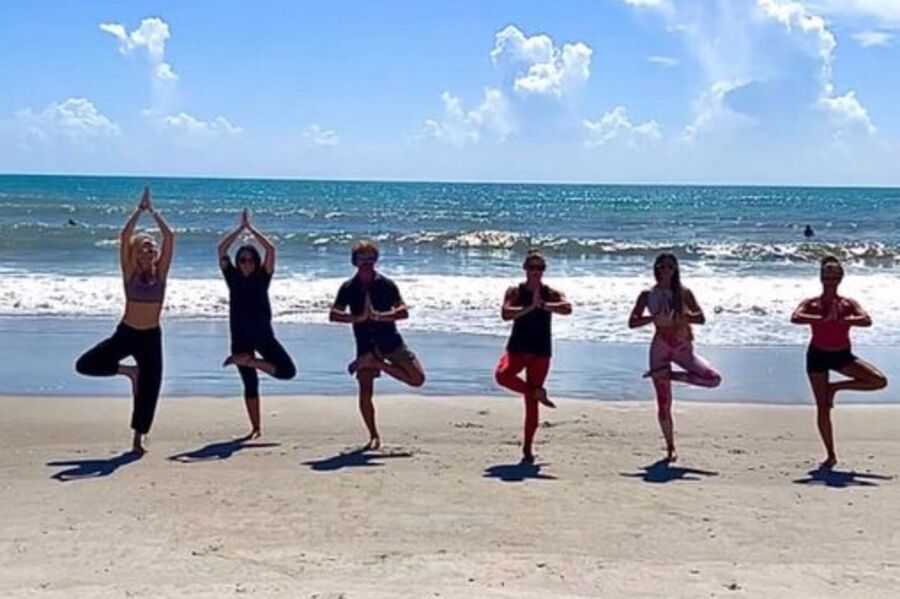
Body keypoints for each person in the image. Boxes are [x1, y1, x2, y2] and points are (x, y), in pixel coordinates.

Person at [75, 186, 174, 454]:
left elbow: (170, 236)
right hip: (127, 332)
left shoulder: (161, 274)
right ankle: (130, 372)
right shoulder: (129, 273)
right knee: (86, 364)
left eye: (151, 249)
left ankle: (137, 438)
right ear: (135, 253)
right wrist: (139, 211)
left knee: (151, 389)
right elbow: (124, 236)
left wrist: (154, 212)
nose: (148, 252)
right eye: (143, 248)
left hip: (151, 337)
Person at [791, 256, 887, 468]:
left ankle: (836, 387)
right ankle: (830, 454)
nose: (830, 280)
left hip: (842, 355)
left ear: (841, 279)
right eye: (827, 276)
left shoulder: (848, 303)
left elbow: (866, 320)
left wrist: (843, 320)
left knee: (879, 381)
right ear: (821, 278)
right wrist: (821, 320)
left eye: (834, 276)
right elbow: (795, 317)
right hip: (817, 356)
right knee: (822, 407)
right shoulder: (812, 303)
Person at [328, 241, 425, 450]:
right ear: (355, 262)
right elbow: (333, 315)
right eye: (363, 259)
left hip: (390, 341)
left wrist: (380, 316)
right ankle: (373, 435)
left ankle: (377, 364)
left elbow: (403, 311)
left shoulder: (386, 284)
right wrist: (357, 318)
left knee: (417, 379)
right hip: (365, 346)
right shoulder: (348, 287)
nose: (367, 264)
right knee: (365, 392)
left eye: (371, 259)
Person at [628, 253, 721, 461]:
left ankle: (670, 376)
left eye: (670, 266)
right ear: (657, 268)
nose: (666, 270)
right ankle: (670, 445)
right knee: (663, 403)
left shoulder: (684, 292)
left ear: (675, 269)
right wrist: (654, 318)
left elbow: (701, 318)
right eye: (662, 266)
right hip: (661, 345)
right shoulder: (647, 294)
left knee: (713, 379)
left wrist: (681, 317)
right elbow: (632, 322)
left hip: (682, 347)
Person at [219, 209, 297, 438]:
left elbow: (271, 250)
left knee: (287, 371)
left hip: (263, 335)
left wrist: (252, 231)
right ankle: (256, 428)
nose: (246, 264)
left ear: (256, 261)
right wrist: (238, 230)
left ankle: (250, 361)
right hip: (240, 337)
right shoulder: (232, 277)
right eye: (242, 260)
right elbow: (221, 250)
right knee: (250, 385)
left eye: (250, 260)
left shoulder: (263, 277)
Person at [495, 249, 572, 464]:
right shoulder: (515, 291)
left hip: (540, 350)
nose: (536, 272)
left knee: (531, 404)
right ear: (525, 269)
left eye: (540, 268)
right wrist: (529, 308)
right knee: (502, 375)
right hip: (518, 348)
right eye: (532, 267)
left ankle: (528, 447)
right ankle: (537, 392)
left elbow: (567, 308)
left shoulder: (549, 293)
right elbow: (505, 313)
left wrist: (544, 306)